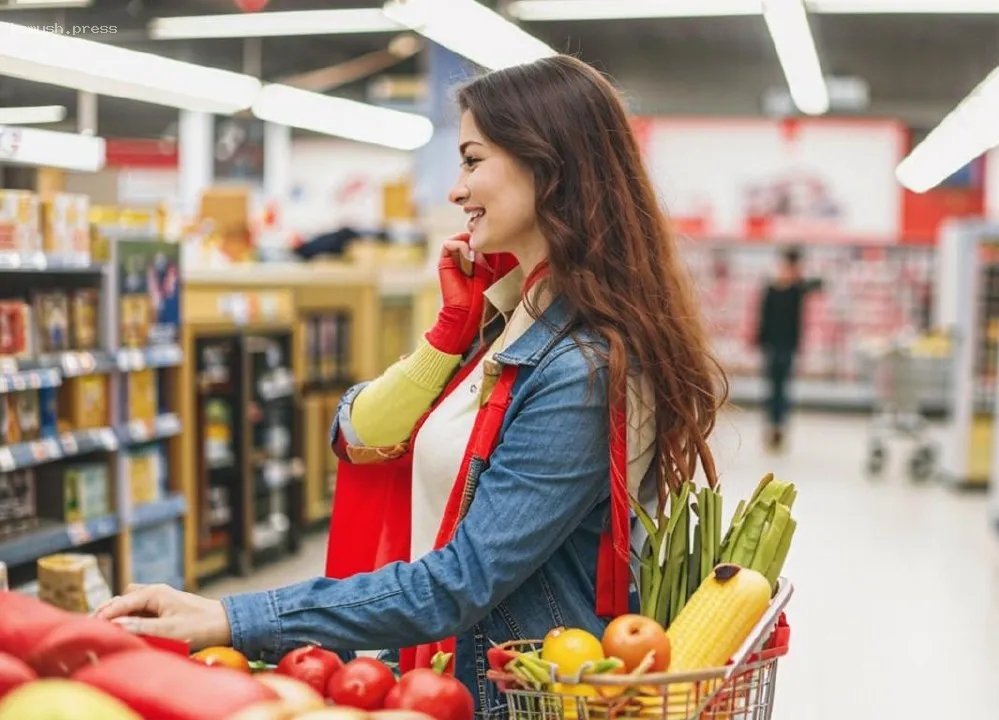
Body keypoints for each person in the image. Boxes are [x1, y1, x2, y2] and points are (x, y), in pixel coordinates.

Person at [95, 55, 727, 715]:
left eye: (473, 161)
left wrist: (234, 618)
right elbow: (356, 433)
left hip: (514, 696)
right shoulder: (508, 323)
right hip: (445, 669)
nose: (456, 190)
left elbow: (461, 582)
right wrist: (449, 334)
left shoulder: (579, 371)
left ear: (548, 168)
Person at [754, 247, 821, 452]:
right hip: (771, 346)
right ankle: (772, 427)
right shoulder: (771, 289)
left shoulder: (797, 289)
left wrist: (797, 276)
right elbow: (763, 317)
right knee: (772, 389)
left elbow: (819, 284)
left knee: (782, 389)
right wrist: (760, 341)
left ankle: (779, 427)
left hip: (788, 346)